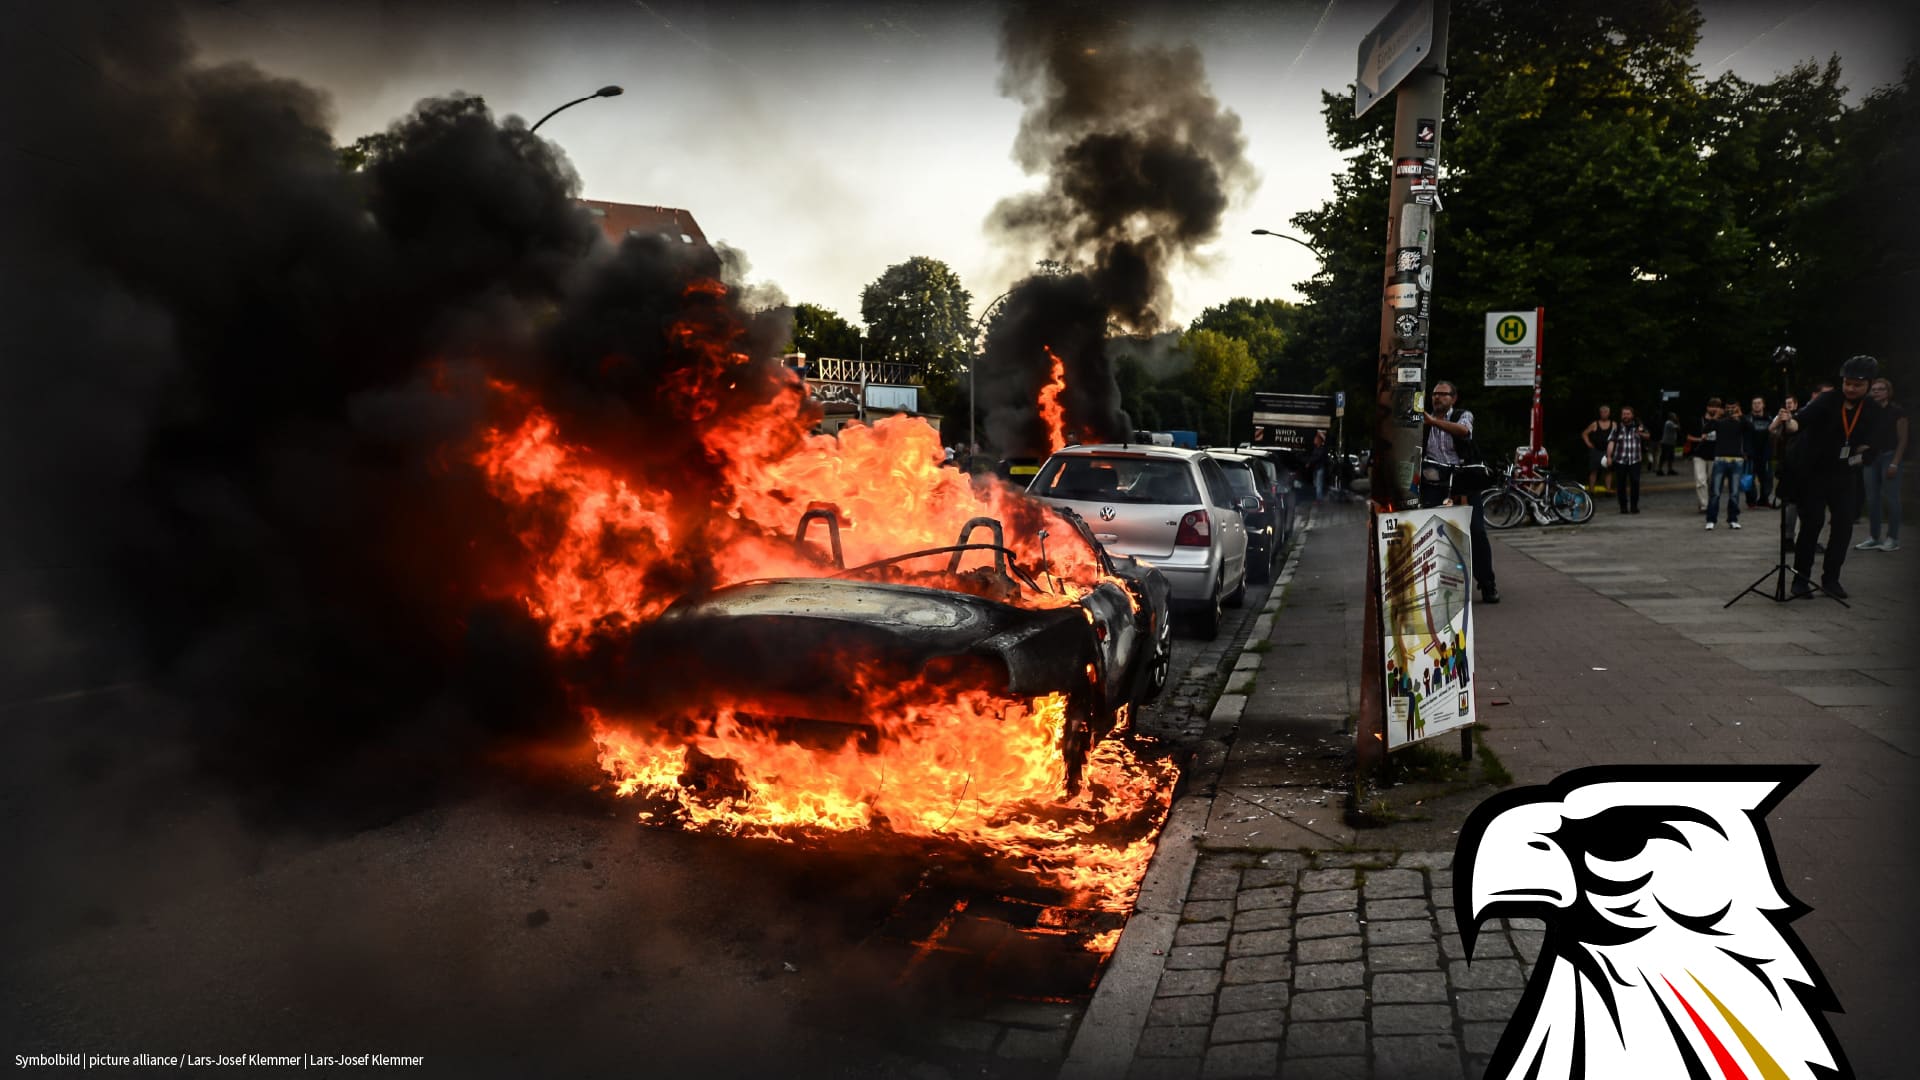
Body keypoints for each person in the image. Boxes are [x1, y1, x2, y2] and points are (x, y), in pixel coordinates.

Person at [1778, 356, 1886, 598]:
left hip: (1845, 474)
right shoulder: (1828, 400)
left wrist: (1863, 453)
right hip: (1814, 472)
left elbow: (1873, 444)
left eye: (1857, 385)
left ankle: (1831, 579)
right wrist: (1788, 422)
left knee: (1843, 526)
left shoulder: (1872, 409)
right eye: (1847, 383)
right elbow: (1799, 423)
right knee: (1812, 524)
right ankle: (1800, 580)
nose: (1851, 388)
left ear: (1869, 384)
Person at [1420, 380, 1498, 603]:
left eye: (1443, 394)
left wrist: (1434, 422)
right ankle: (1434, 584)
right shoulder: (1423, 420)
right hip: (1435, 482)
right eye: (1434, 394)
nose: (1437, 397)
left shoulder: (1462, 415)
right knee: (1431, 530)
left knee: (1477, 531)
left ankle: (1487, 583)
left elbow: (1464, 431)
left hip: (1463, 479)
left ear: (1453, 398)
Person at [1856, 376, 1908, 552]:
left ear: (1888, 392)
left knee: (1891, 499)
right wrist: (1861, 447)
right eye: (1874, 389)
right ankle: (1874, 537)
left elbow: (1903, 439)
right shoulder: (1868, 411)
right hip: (1872, 458)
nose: (1876, 392)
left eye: (1880, 389)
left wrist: (1895, 463)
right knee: (1872, 499)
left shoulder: (1897, 411)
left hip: (1889, 456)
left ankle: (1893, 538)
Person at [1701, 398, 1745, 530]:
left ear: (1737, 408)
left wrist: (1741, 415)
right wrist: (1715, 416)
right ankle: (1711, 520)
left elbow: (1751, 429)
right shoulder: (1720, 422)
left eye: (1733, 408)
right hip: (1720, 459)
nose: (1730, 410)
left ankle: (1733, 519)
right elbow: (1705, 429)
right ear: (1724, 409)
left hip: (1736, 460)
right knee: (1715, 492)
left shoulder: (1740, 422)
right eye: (1728, 408)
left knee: (1734, 493)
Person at [1603, 405, 1652, 513]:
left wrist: (1640, 432)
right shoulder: (1617, 428)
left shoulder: (1638, 426)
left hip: (1635, 460)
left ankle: (1634, 506)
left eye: (1628, 414)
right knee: (1621, 484)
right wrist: (1609, 456)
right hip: (1620, 460)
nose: (1625, 416)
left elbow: (1648, 436)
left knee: (1635, 483)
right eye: (1623, 414)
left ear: (1632, 415)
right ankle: (1623, 506)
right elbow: (1611, 442)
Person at [1745, 396, 1775, 507]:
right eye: (1754, 403)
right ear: (1751, 406)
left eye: (1759, 403)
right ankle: (1751, 501)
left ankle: (1764, 500)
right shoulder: (1746, 419)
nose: (1756, 405)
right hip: (1751, 454)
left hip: (1765, 454)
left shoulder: (1770, 419)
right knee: (1749, 478)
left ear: (1763, 405)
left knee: (1767, 478)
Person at [1581, 405, 1616, 494]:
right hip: (1596, 450)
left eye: (1606, 412)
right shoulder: (1595, 424)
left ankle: (1608, 490)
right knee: (1593, 470)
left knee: (1608, 471)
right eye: (1602, 412)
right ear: (1600, 413)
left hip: (1608, 451)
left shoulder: (1613, 424)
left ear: (1609, 413)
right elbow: (1584, 433)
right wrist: (1588, 443)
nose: (1604, 414)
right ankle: (1591, 490)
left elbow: (1617, 436)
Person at [1306, 430, 1331, 502]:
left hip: (1320, 468)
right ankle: (1318, 498)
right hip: (1316, 468)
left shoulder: (1321, 449)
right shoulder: (1316, 448)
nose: (1314, 440)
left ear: (1319, 441)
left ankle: (1319, 499)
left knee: (1318, 484)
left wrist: (1310, 462)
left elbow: (1317, 457)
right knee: (1316, 483)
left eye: (1316, 439)